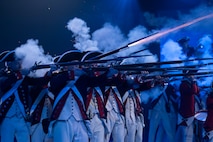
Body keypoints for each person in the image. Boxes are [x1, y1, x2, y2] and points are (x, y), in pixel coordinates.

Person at [0, 50, 50, 142]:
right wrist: (20, 74)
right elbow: (4, 83)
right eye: (17, 61)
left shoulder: (23, 77)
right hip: (6, 118)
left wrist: (49, 74)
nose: (20, 64)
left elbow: (39, 82)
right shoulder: (3, 74)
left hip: (21, 118)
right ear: (9, 63)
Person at [46, 50, 89, 142]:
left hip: (80, 119)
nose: (76, 66)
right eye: (73, 64)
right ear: (66, 65)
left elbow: (98, 81)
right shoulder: (59, 76)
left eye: (77, 64)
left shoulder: (83, 78)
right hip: (62, 119)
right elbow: (54, 84)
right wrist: (72, 74)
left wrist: (109, 74)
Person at [175, 71, 199, 142]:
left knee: (188, 136)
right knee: (186, 137)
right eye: (191, 75)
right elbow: (193, 91)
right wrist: (193, 82)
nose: (193, 76)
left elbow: (197, 91)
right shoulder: (184, 84)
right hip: (185, 115)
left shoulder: (190, 83)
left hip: (190, 114)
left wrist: (194, 83)